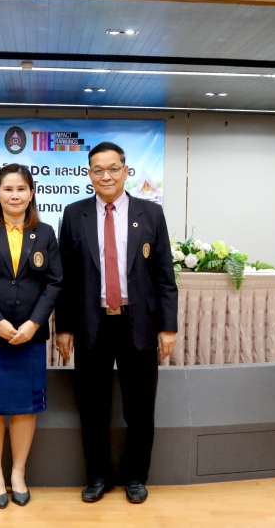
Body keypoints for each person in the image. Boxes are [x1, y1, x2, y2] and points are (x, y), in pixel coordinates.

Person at [55, 141, 178, 504]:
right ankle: (97, 476)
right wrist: (63, 327)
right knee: (93, 406)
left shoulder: (150, 213)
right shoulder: (74, 214)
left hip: (138, 324)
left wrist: (168, 326)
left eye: (113, 169)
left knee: (139, 407)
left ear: (126, 171)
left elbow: (164, 276)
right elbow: (65, 278)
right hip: (91, 323)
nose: (105, 176)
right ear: (89, 174)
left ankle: (136, 477)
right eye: (98, 170)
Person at [0, 163, 62, 509]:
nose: (15, 195)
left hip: (29, 337)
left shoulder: (45, 233)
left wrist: (35, 323)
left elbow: (55, 283)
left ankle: (18, 473)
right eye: (8, 189)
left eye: (21, 188)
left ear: (31, 193)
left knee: (24, 408)